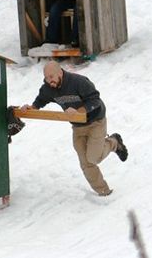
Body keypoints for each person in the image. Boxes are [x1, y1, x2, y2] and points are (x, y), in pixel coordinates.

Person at [20, 61, 127, 197]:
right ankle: (103, 191)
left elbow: (95, 100)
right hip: (77, 126)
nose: (49, 80)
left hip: (96, 121)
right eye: (46, 78)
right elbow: (41, 100)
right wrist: (32, 108)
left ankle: (114, 142)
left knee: (93, 157)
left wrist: (79, 111)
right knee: (85, 162)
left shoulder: (79, 82)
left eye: (51, 76)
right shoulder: (48, 87)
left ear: (60, 72)